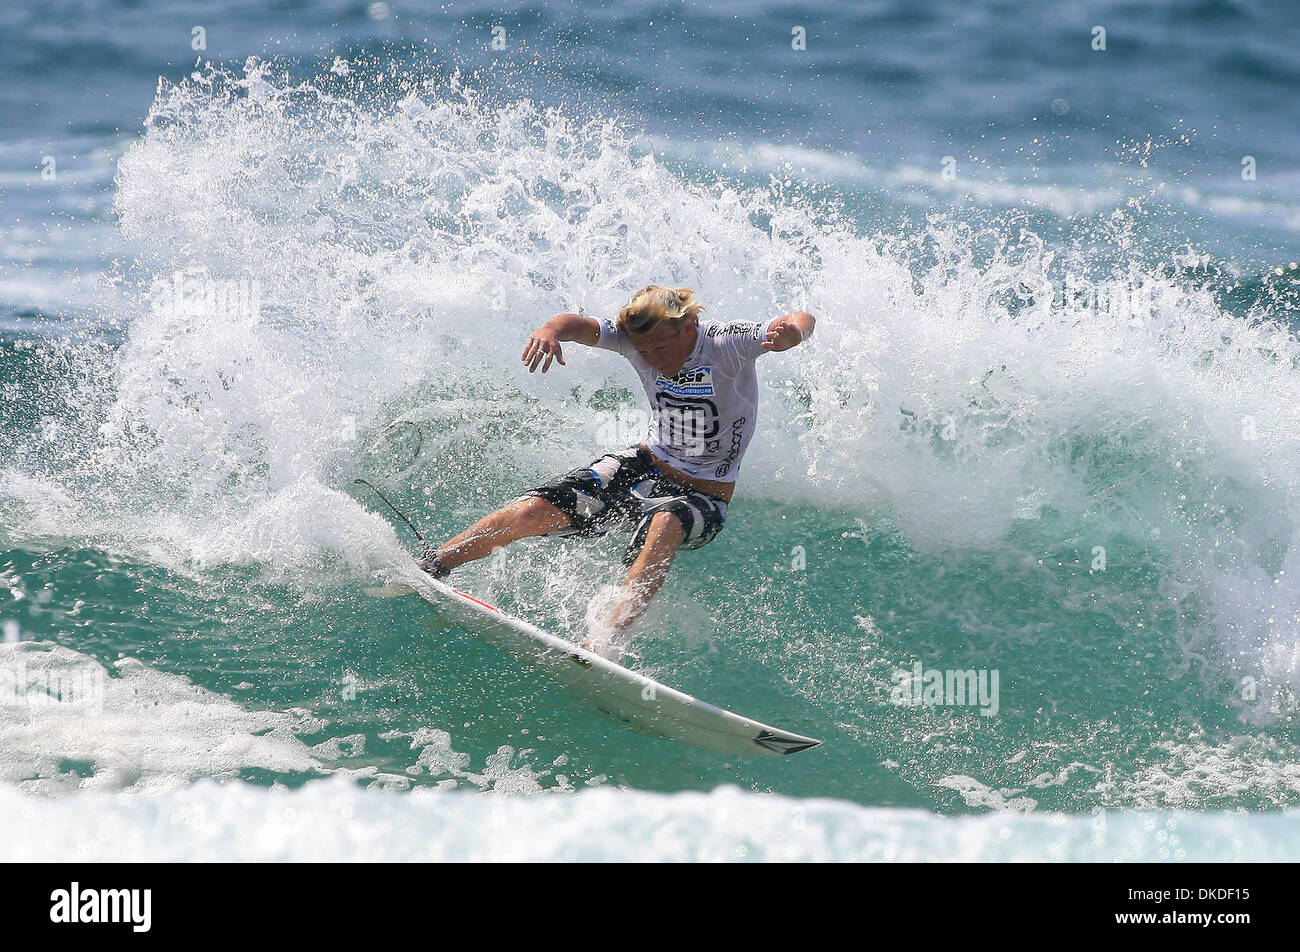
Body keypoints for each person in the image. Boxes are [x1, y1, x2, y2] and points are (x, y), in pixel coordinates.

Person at [418, 285, 815, 655]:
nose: (655, 360)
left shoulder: (725, 342)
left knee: (667, 521)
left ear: (689, 325)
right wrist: (550, 329)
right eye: (645, 352)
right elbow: (577, 325)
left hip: (704, 493)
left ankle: (604, 640)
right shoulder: (631, 340)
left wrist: (791, 334)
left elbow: (802, 318)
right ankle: (436, 564)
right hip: (642, 463)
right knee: (534, 510)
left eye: (661, 347)